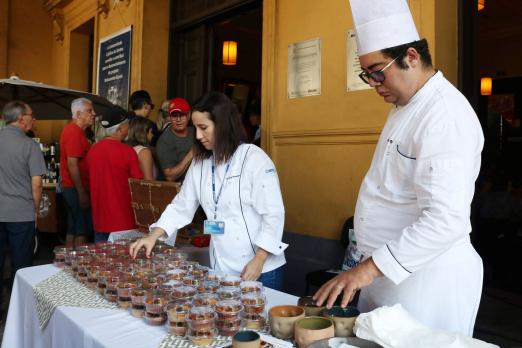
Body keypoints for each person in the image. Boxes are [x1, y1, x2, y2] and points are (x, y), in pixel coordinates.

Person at [314, 0, 484, 337]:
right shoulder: (406, 105)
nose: (373, 83)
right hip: (387, 276)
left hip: (427, 283)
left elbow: (445, 218)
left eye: (378, 72)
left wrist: (368, 269)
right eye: (367, 75)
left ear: (411, 56)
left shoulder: (444, 115)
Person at [130, 92, 288, 290]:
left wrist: (260, 258)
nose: (197, 136)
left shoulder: (253, 158)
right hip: (221, 264)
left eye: (203, 128)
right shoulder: (201, 163)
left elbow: (273, 214)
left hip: (260, 268)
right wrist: (154, 234)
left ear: (222, 125)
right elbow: (181, 205)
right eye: (195, 128)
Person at [0, 101, 46, 309]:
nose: (34, 119)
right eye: (32, 115)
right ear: (21, 118)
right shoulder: (30, 145)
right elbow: (36, 183)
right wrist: (36, 209)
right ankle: (19, 310)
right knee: (22, 266)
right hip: (21, 213)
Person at [87, 106, 143, 242]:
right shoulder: (128, 151)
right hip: (124, 221)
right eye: (127, 125)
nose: (128, 128)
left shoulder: (93, 151)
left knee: (100, 261)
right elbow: (138, 185)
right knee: (122, 262)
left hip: (100, 219)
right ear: (120, 129)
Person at [59, 98, 95, 247]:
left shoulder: (75, 131)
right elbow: (72, 164)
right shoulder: (74, 132)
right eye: (90, 111)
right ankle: (79, 267)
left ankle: (68, 265)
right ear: (79, 114)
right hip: (75, 188)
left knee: (73, 227)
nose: (94, 113)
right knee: (82, 230)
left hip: (71, 187)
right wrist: (81, 192)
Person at [156, 97, 194, 182]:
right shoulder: (164, 141)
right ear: (170, 117)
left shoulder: (195, 132)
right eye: (174, 116)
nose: (178, 120)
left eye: (182, 115)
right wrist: (191, 154)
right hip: (177, 190)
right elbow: (170, 176)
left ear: (188, 115)